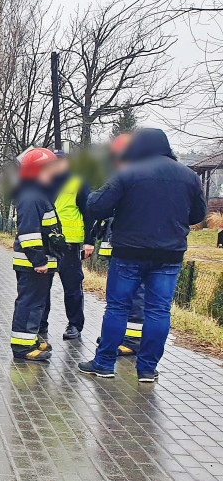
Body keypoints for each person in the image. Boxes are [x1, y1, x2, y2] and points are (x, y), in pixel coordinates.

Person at [79, 128, 207, 381]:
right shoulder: (189, 176)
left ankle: (104, 364)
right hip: (169, 255)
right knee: (159, 311)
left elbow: (96, 207)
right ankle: (147, 368)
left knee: (117, 308)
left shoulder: (128, 173)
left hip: (129, 253)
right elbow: (198, 215)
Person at [91, 133, 145, 357]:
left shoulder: (135, 178)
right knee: (121, 297)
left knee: (134, 296)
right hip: (124, 248)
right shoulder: (131, 177)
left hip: (134, 250)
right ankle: (119, 336)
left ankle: (132, 340)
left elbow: (97, 204)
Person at [10, 147, 64, 362]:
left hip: (39, 263)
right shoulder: (32, 197)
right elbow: (29, 234)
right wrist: (39, 260)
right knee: (29, 304)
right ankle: (22, 348)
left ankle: (29, 339)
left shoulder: (36, 194)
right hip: (33, 264)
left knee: (36, 304)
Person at [50, 150, 94, 340]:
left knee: (72, 286)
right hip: (47, 243)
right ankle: (40, 323)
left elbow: (89, 212)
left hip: (69, 243)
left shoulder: (78, 182)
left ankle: (75, 324)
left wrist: (89, 241)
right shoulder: (45, 182)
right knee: (41, 287)